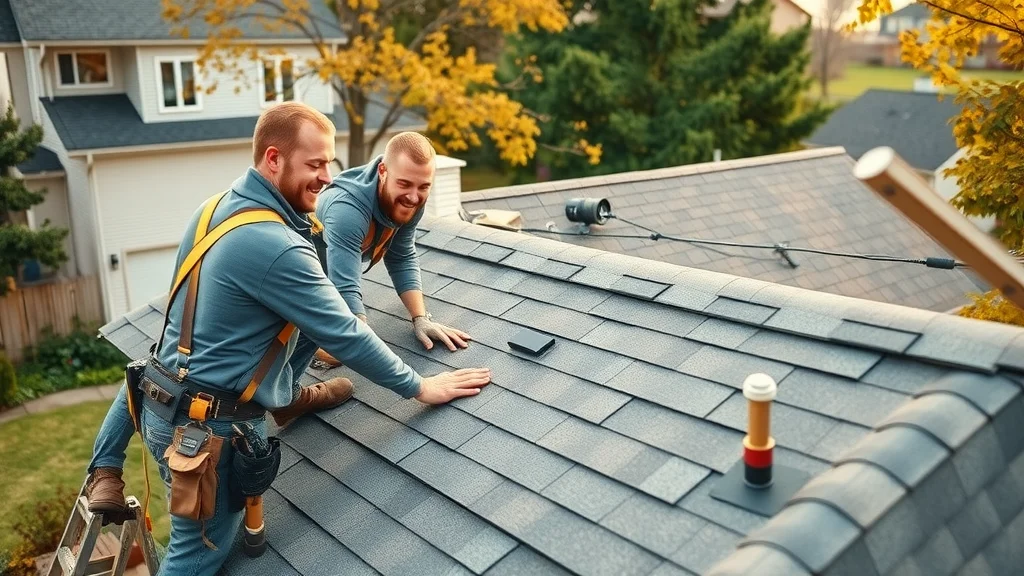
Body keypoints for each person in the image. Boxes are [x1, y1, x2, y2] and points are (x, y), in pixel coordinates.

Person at [85, 102, 491, 576]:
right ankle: (283, 400)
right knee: (197, 554)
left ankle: (288, 396)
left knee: (298, 319)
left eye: (329, 163)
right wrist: (420, 386)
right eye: (314, 164)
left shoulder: (214, 208)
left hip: (162, 395)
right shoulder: (276, 246)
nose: (327, 178)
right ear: (274, 159)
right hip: (207, 431)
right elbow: (345, 330)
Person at [306, 131, 470, 369]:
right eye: (404, 184)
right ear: (382, 171)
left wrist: (421, 319)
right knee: (340, 351)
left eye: (424, 186)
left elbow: (401, 256)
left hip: (327, 280)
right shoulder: (347, 210)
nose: (413, 196)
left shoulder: (412, 198)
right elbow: (345, 288)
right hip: (291, 280)